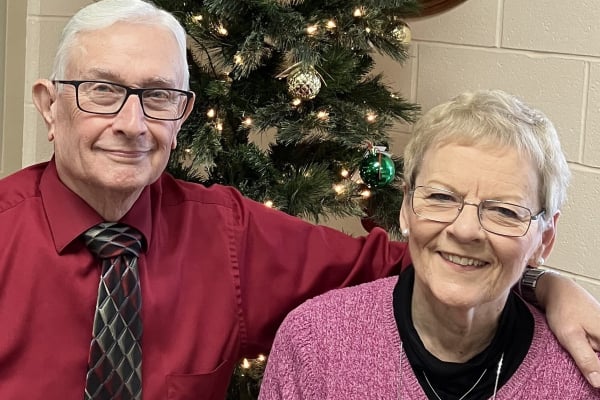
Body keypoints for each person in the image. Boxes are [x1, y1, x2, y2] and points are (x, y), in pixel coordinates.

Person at [0, 0, 598, 397]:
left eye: (159, 96)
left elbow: (423, 257)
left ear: (181, 116)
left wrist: (545, 285)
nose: (133, 124)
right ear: (49, 106)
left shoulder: (227, 235)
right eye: (102, 91)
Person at [258, 90, 600, 399]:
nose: (465, 230)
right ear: (406, 209)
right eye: (440, 197)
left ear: (545, 239)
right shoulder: (314, 344)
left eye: (504, 211)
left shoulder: (581, 378)